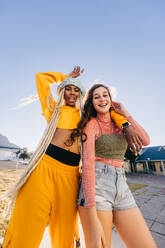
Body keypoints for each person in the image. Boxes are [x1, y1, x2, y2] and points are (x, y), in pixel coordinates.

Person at [1, 67, 134, 248]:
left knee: (65, 231)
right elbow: (41, 78)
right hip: (44, 169)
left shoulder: (86, 117)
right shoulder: (52, 109)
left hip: (70, 176)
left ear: (81, 94)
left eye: (76, 89)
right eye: (68, 89)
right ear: (63, 91)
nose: (72, 92)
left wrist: (125, 124)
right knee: (27, 221)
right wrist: (67, 78)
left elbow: (109, 113)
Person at [77, 83, 157, 248]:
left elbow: (146, 140)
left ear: (110, 99)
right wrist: (90, 210)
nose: (102, 99)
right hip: (97, 188)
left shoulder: (121, 124)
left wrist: (125, 114)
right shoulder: (91, 124)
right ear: (91, 102)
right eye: (96, 96)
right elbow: (88, 164)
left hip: (121, 186)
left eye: (105, 95)